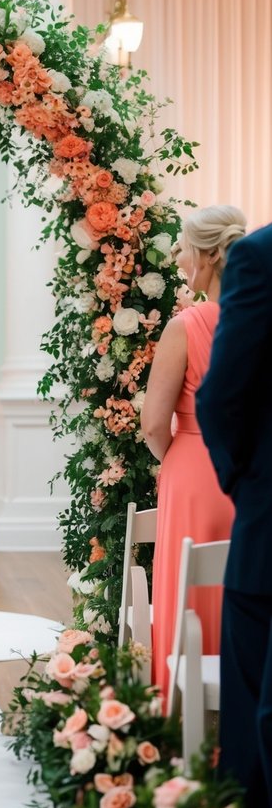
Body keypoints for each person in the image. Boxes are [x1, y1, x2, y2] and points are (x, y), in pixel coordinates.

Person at [141, 205, 246, 702]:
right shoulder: (261, 321)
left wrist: (179, 459)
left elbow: (154, 423)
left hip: (193, 473)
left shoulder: (185, 326)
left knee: (189, 593)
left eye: (183, 247)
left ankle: (184, 718)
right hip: (252, 474)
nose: (178, 257)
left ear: (205, 256)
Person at [197, 219, 272, 808]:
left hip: (268, 524)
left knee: (254, 708)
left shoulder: (262, 256)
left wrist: (246, 483)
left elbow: (221, 398)